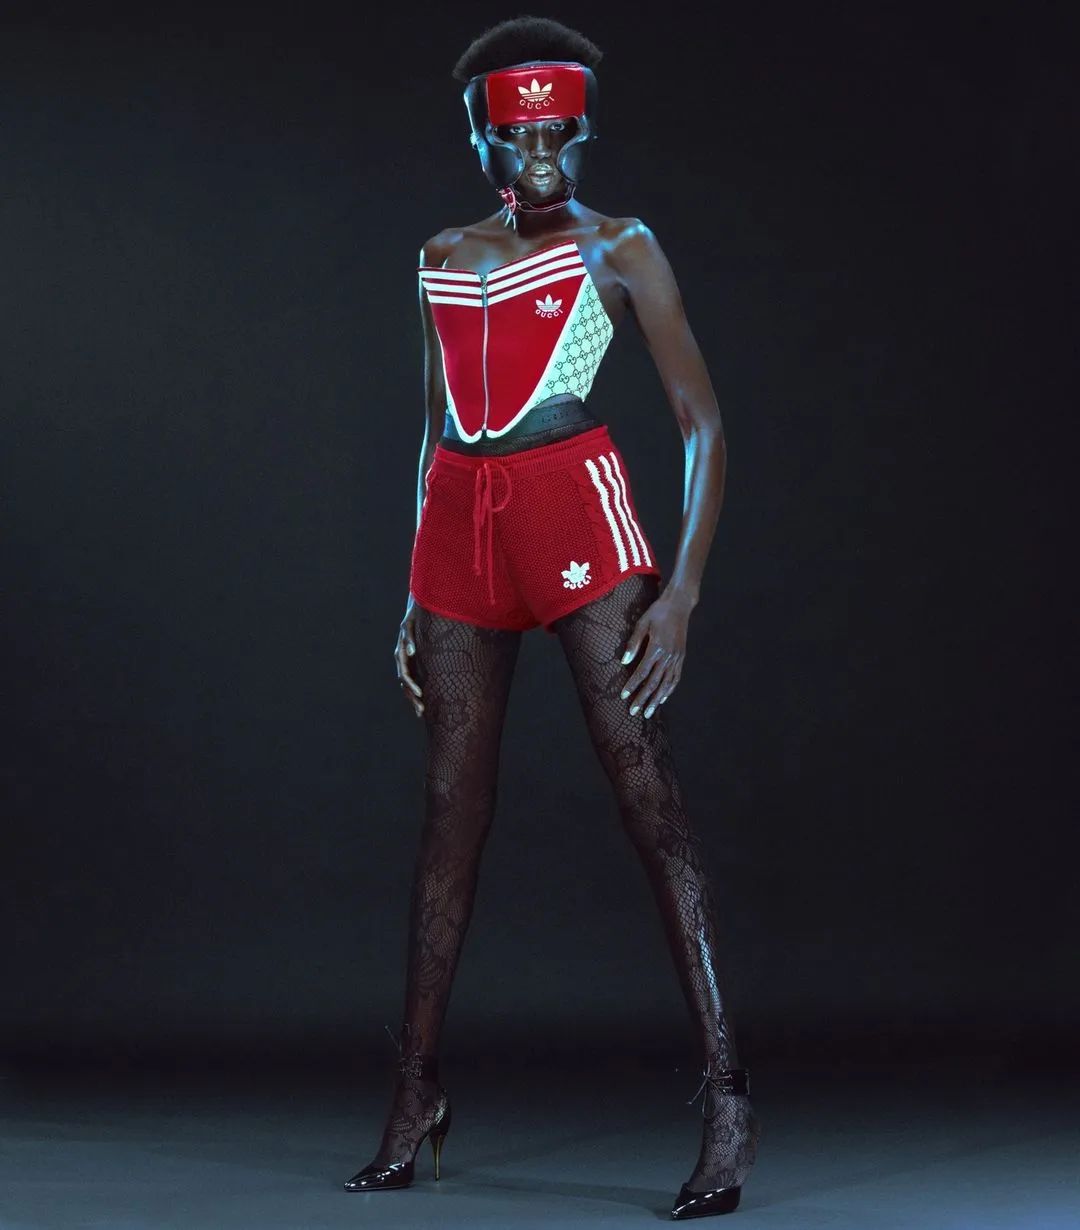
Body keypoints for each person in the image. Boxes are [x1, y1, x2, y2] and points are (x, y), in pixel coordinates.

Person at [344, 15, 761, 1220]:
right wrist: (410, 589)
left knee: (647, 801)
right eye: (516, 138)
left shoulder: (620, 245)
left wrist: (681, 593)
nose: (539, 158)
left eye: (559, 136)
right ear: (478, 138)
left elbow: (703, 424)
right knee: (448, 821)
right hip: (458, 533)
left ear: (583, 132)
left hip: (575, 515)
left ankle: (728, 1096)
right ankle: (414, 1094)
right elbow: (436, 427)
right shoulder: (440, 254)